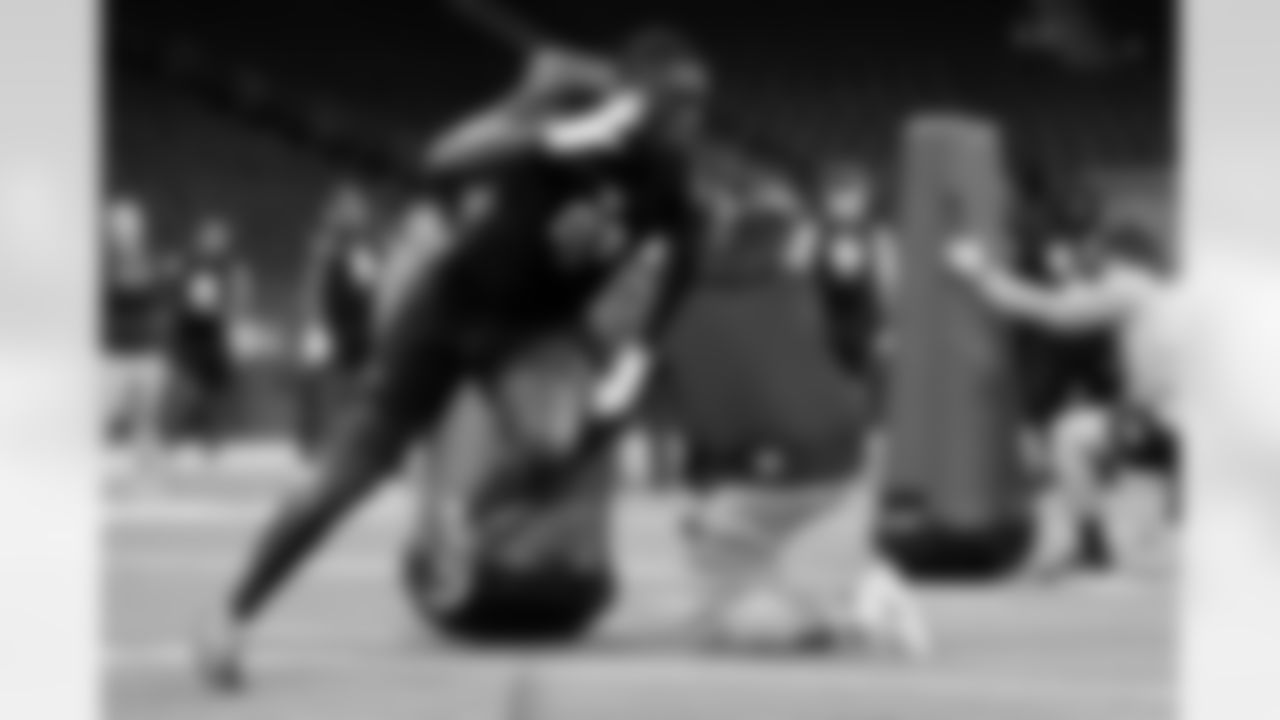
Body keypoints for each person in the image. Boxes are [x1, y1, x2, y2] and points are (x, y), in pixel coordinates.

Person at [195, 28, 710, 690]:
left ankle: (461, 522)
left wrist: (632, 369)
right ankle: (231, 614)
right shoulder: (564, 117)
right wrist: (555, 135)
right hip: (448, 312)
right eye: (678, 108)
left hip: (531, 334)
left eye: (700, 108)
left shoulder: (673, 186)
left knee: (560, 445)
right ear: (638, 102)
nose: (693, 125)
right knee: (348, 478)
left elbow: (679, 274)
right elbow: (442, 160)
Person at [656, 159, 928, 655]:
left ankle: (840, 611)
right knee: (761, 528)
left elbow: (886, 293)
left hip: (818, 397)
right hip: (822, 392)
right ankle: (817, 601)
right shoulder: (798, 255)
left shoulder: (783, 264)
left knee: (730, 530)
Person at [948, 219, 1179, 574]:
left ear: (1118, 257)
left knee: (1068, 436)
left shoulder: (1128, 285)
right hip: (1182, 417)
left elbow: (1054, 312)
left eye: (1101, 258)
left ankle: (1092, 546)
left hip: (1166, 421)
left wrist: (979, 271)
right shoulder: (1159, 289)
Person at [295, 185, 382, 457]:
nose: (355, 217)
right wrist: (315, 324)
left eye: (357, 210)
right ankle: (318, 442)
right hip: (332, 327)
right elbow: (314, 287)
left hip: (357, 330)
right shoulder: (326, 247)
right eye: (348, 211)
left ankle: (343, 442)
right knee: (325, 386)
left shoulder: (364, 249)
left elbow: (372, 291)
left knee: (353, 388)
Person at [166, 217, 252, 467]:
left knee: (214, 393)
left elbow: (238, 299)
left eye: (219, 238)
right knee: (189, 391)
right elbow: (178, 297)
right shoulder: (187, 264)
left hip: (217, 336)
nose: (214, 243)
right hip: (189, 335)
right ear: (200, 239)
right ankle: (172, 440)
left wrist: (235, 328)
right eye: (209, 237)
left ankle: (211, 443)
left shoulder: (230, 268)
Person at [102, 197, 170, 483]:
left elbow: (147, 289)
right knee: (100, 417)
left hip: (146, 353)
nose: (126, 230)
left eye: (131, 224)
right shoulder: (101, 260)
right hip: (111, 356)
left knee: (146, 422)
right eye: (119, 224)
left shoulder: (148, 261)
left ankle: (148, 477)